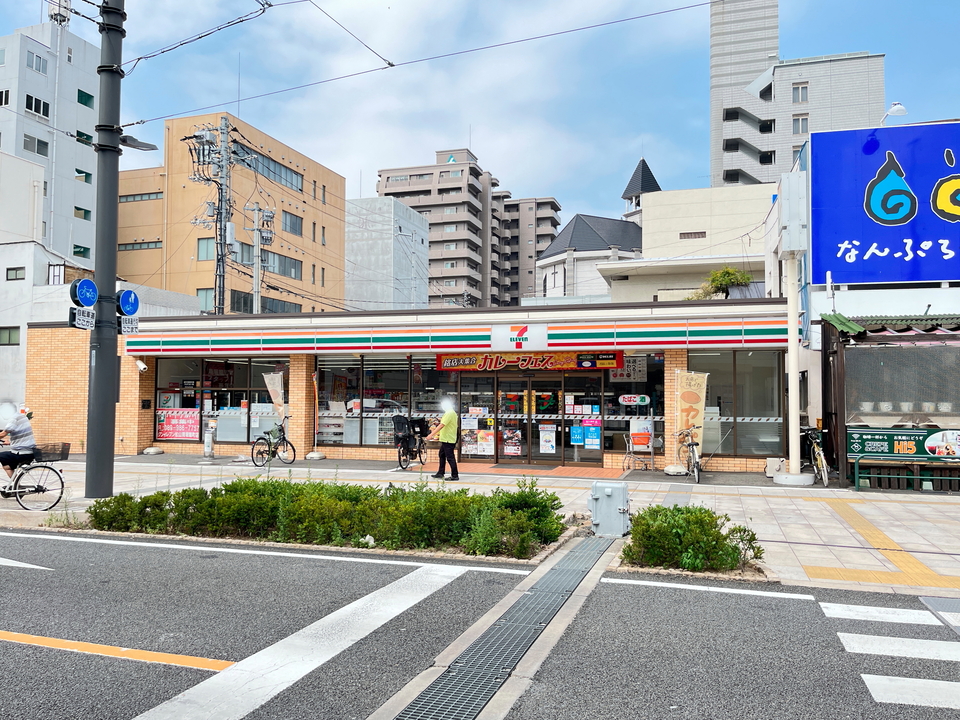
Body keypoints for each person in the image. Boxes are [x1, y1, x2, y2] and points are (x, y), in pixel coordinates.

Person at [425, 396, 459, 481]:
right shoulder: (451, 412)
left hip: (448, 438)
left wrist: (431, 434)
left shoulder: (449, 413)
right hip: (446, 438)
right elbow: (445, 422)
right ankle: (440, 473)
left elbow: (441, 425)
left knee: (450, 457)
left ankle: (455, 475)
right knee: (442, 455)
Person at [0, 402, 37, 480]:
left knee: (2, 457)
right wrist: (10, 442)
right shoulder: (21, 416)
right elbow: (21, 434)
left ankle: (16, 483)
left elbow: (3, 434)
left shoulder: (14, 418)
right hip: (28, 451)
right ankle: (15, 484)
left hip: (22, 453)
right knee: (6, 464)